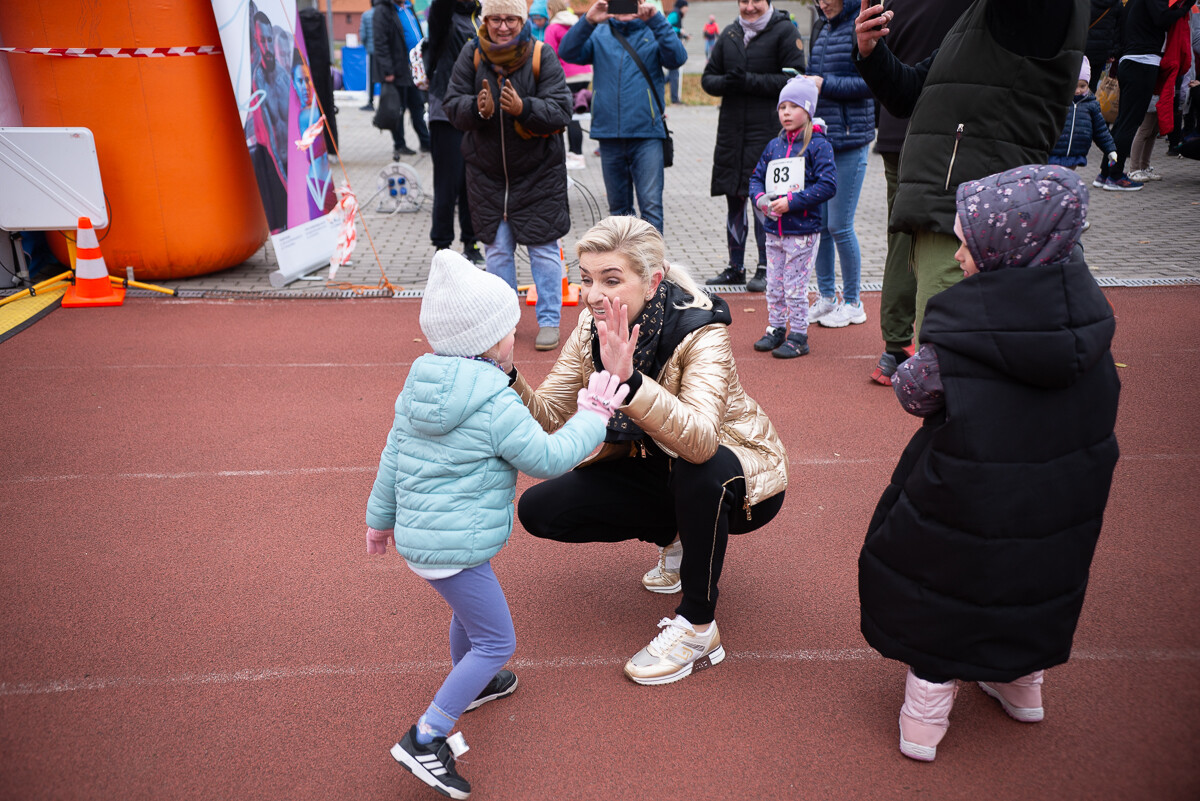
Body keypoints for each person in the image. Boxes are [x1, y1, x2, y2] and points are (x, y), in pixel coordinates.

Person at [859, 164, 1120, 762]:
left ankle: (925, 714)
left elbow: (913, 393)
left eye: (966, 242)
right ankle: (1021, 682)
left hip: (967, 493)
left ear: (1005, 249)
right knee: (1032, 581)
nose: (957, 253)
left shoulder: (960, 333)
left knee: (944, 585)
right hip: (1061, 496)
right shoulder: (1088, 323)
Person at [369, 250, 628, 799]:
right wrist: (596, 415)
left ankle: (478, 683)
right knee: (497, 638)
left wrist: (379, 522)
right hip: (454, 546)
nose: (514, 338)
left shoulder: (418, 386)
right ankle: (427, 734)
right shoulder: (496, 402)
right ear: (491, 340)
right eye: (509, 330)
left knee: (471, 617)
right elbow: (551, 459)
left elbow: (392, 458)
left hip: (428, 539)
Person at [512, 216, 789, 686]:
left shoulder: (702, 329)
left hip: (739, 476)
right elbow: (549, 413)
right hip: (656, 465)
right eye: (586, 279)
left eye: (611, 280)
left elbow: (702, 440)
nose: (594, 295)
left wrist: (629, 382)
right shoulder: (589, 326)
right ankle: (676, 534)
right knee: (540, 510)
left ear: (653, 280)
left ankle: (698, 627)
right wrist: (505, 375)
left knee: (700, 472)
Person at [853, 0, 1090, 344]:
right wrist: (872, 51)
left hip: (972, 215)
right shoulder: (977, 21)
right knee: (948, 368)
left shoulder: (1029, 12)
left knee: (955, 371)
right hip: (948, 209)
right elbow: (908, 93)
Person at [443, 0, 574, 352]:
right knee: (497, 252)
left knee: (544, 250)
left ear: (522, 19)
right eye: (496, 19)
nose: (503, 27)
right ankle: (505, 322)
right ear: (485, 20)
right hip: (488, 177)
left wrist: (524, 108)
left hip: (538, 173)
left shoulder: (540, 55)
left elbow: (562, 110)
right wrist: (476, 108)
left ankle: (549, 320)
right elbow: (452, 104)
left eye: (511, 19)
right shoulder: (472, 53)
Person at [866, 0, 970, 387]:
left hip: (894, 131)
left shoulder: (891, 4)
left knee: (901, 237)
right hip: (939, 136)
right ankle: (933, 356)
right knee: (939, 238)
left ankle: (894, 346)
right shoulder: (964, 11)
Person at [702, 0, 807, 290]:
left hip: (768, 134)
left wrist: (749, 81)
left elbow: (795, 78)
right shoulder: (730, 33)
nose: (749, 7)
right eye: (743, 1)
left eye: (755, 1)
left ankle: (766, 266)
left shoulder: (785, 32)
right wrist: (727, 82)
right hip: (731, 133)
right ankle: (735, 267)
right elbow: (708, 79)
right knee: (733, 199)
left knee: (765, 202)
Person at [559, 1, 688, 234]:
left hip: (647, 133)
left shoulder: (653, 30)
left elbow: (677, 58)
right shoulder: (599, 32)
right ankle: (622, 267)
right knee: (618, 211)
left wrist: (657, 20)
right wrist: (588, 20)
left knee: (651, 208)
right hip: (609, 134)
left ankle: (651, 268)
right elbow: (567, 51)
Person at [748, 77, 837, 358]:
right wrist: (761, 199)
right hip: (773, 229)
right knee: (774, 284)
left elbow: (828, 184)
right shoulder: (774, 146)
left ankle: (799, 334)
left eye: (793, 106)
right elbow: (756, 178)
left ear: (808, 110)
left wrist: (793, 203)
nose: (785, 112)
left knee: (794, 287)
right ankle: (776, 328)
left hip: (803, 231)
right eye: (782, 107)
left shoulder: (818, 145)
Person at [804, 0, 875, 329]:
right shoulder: (822, 28)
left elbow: (871, 83)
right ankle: (828, 297)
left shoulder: (860, 27)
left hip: (850, 141)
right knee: (820, 225)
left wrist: (824, 84)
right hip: (822, 142)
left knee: (840, 225)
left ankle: (854, 302)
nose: (824, 2)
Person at [1094, 0, 1197, 190]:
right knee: (1129, 124)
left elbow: (1120, 29)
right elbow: (1162, 19)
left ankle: (1105, 173)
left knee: (1121, 123)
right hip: (1143, 63)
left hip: (1129, 61)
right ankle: (1115, 176)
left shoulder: (1132, 3)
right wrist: (1184, 8)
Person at [426, 0, 485, 263]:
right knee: (447, 183)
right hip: (446, 112)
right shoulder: (445, 17)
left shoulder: (479, 20)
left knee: (472, 183)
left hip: (475, 114)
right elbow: (439, 9)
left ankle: (471, 244)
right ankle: (442, 246)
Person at [376, 0, 432, 158]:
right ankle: (399, 144)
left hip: (415, 67)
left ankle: (426, 142)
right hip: (397, 68)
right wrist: (388, 70)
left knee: (418, 106)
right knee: (397, 109)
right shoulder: (383, 10)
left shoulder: (408, 6)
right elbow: (380, 42)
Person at [1049, 60, 1118, 182]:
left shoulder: (1091, 105)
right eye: (1074, 86)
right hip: (1054, 152)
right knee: (1052, 182)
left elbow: (1101, 131)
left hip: (1076, 154)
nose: (1078, 91)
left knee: (1067, 182)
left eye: (1082, 86)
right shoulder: (1056, 102)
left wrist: (1110, 149)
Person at [545, 0, 594, 170]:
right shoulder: (573, 21)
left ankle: (576, 154)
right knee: (577, 112)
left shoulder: (552, 27)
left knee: (570, 115)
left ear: (551, 9)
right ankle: (576, 153)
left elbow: (549, 54)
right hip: (585, 70)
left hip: (568, 75)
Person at [1085, 0, 1124, 91]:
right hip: (1101, 51)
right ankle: (1088, 103)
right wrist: (1113, 53)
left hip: (1082, 47)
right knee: (1092, 85)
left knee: (1075, 84)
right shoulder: (1117, 4)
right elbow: (1118, 31)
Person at [665, 0, 690, 104]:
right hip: (671, 47)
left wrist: (684, 36)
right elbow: (667, 26)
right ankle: (674, 99)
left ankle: (674, 97)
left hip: (674, 45)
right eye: (686, 7)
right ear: (682, 7)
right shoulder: (675, 14)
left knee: (672, 74)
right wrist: (680, 31)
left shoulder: (678, 15)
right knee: (674, 73)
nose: (687, 10)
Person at [359, 0, 380, 110]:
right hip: (384, 52)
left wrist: (366, 46)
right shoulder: (384, 14)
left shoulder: (366, 15)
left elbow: (363, 35)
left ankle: (371, 102)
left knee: (372, 77)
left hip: (372, 51)